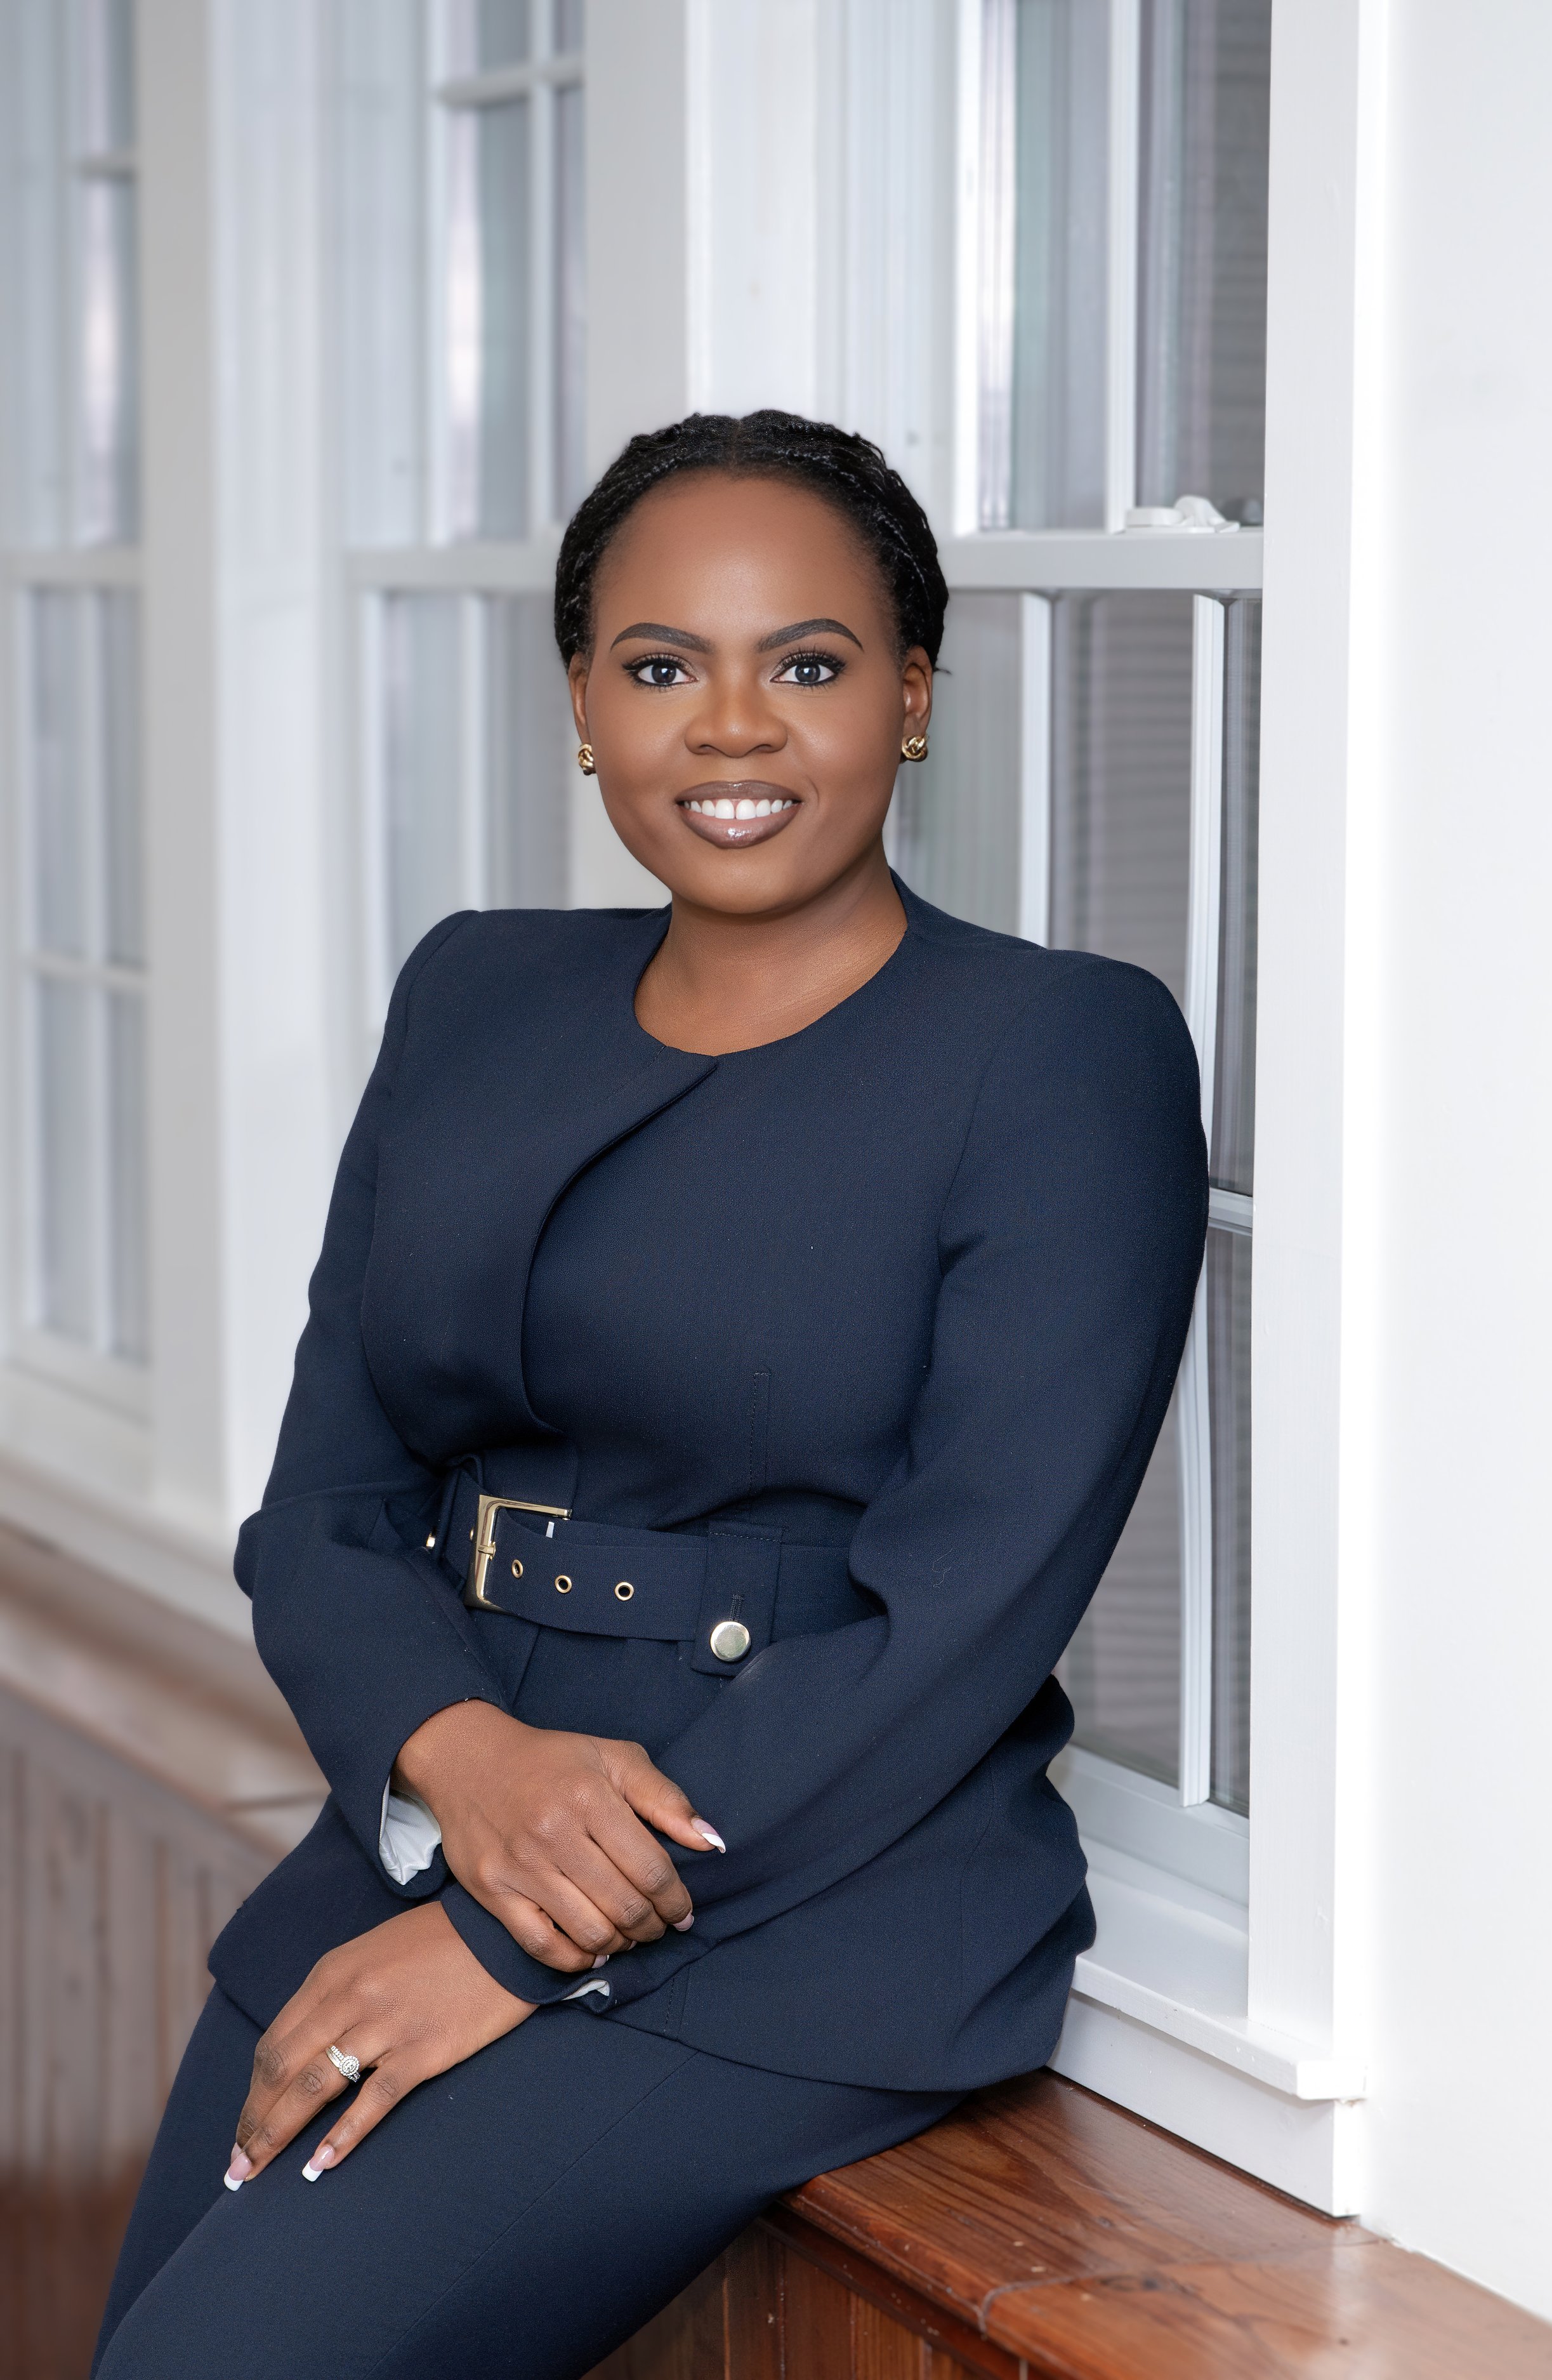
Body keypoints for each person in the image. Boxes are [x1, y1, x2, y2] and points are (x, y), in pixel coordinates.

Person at [93, 411, 1206, 2379]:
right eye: (662, 666)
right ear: (585, 708)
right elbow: (327, 1510)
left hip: (798, 1904)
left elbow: (959, 1619)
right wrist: (463, 1762)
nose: (734, 728)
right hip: (436, 1819)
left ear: (914, 696)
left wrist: (516, 1934)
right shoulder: (477, 991)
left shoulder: (1058, 1051)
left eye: (808, 662)